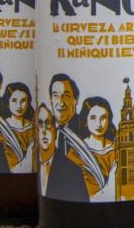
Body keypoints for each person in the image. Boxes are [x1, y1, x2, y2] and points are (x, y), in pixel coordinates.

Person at [45, 73, 90, 202]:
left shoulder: (84, 131)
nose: (61, 102)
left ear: (75, 100)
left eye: (66, 96)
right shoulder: (47, 128)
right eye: (56, 96)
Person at [76, 96, 117, 200]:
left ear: (109, 120)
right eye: (93, 118)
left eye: (103, 118)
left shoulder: (117, 149)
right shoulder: (77, 151)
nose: (99, 124)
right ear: (85, 121)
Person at [0, 82, 35, 172]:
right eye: (14, 100)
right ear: (7, 103)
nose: (19, 105)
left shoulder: (33, 127)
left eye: (23, 101)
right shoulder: (2, 129)